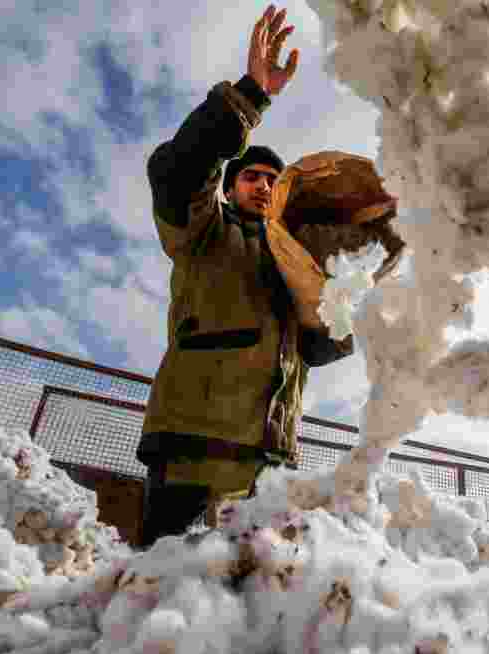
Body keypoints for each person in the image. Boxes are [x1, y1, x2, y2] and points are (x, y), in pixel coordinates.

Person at [138, 4, 354, 547]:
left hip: (269, 462)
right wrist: (250, 96)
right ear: (230, 186)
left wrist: (348, 296)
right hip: (192, 448)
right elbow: (176, 169)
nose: (263, 186)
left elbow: (322, 349)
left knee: (246, 606)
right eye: (252, 177)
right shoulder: (204, 230)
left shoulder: (296, 259)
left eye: (272, 181)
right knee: (160, 592)